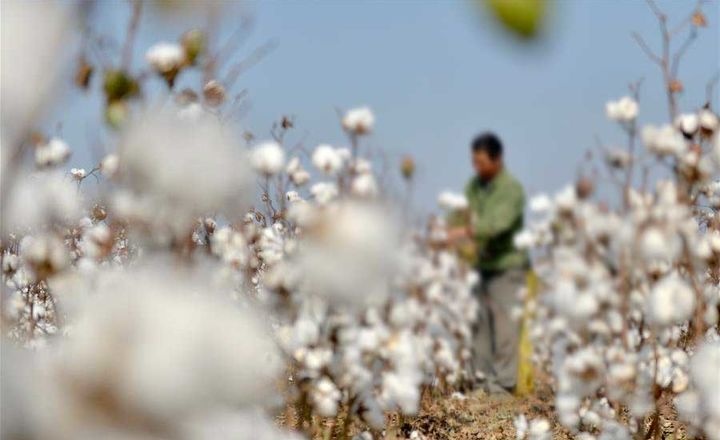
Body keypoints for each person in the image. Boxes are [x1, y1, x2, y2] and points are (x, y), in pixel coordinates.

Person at [446, 132, 529, 394]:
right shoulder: (473, 187)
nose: (476, 167)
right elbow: (460, 213)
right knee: (478, 327)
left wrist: (463, 233)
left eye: (481, 162)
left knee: (505, 329)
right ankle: (478, 385)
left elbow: (496, 225)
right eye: (474, 162)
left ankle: (503, 388)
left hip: (507, 267)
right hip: (481, 267)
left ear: (497, 160)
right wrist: (446, 230)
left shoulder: (511, 189)